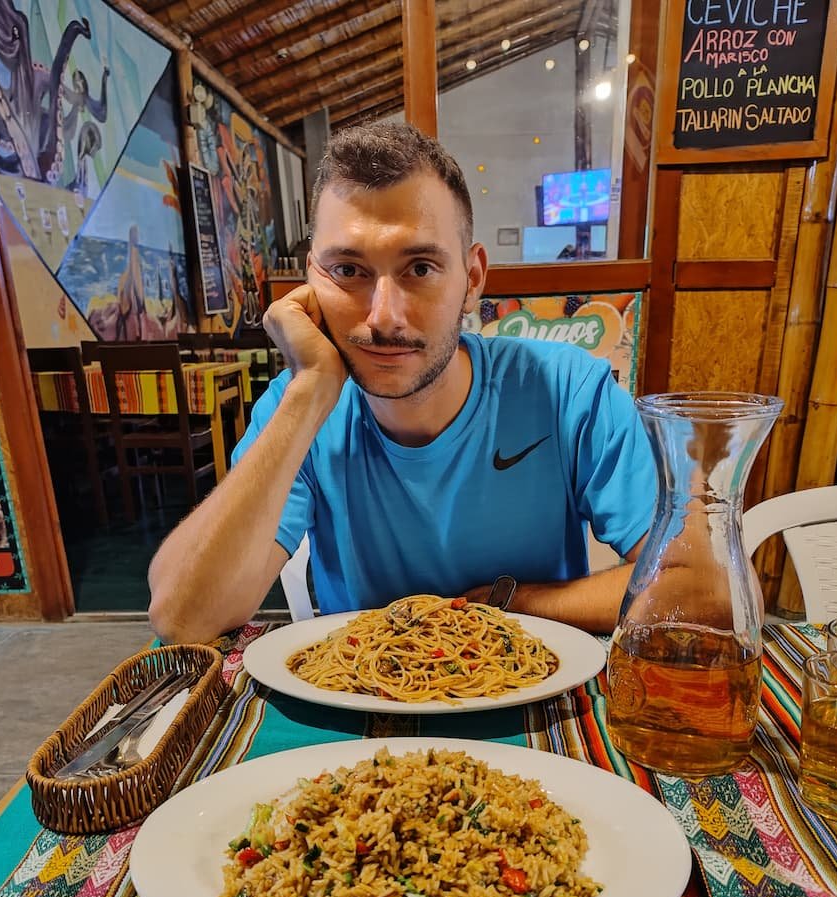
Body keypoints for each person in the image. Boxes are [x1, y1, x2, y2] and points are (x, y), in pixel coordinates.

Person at [148, 122, 656, 645]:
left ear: (472, 278)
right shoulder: (294, 407)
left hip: (536, 701)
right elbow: (183, 619)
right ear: (311, 279)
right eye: (348, 269)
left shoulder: (568, 392)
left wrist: (513, 603)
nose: (383, 317)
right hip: (360, 705)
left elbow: (693, 586)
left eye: (419, 267)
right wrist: (309, 391)